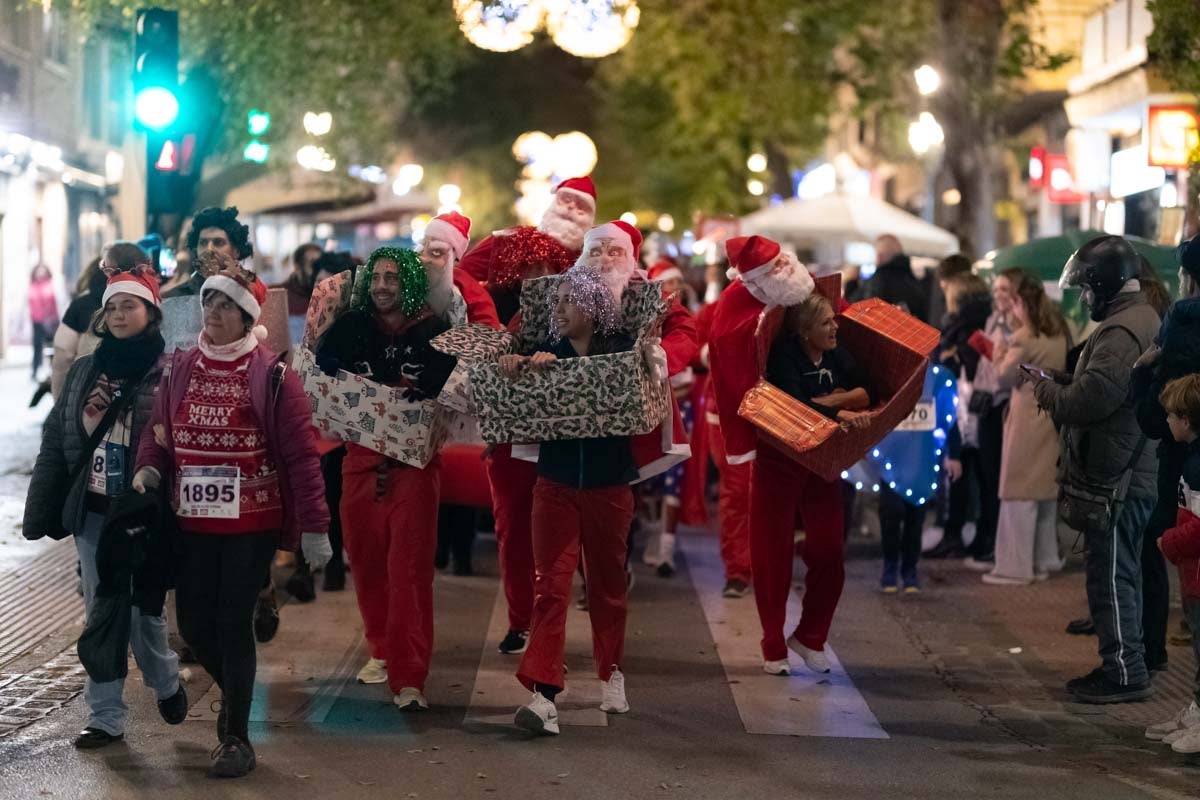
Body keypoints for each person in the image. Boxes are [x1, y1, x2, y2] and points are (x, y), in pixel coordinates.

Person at [133, 264, 330, 777]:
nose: (213, 313)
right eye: (208, 303)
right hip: (192, 524)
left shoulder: (273, 376)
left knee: (229, 621)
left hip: (251, 524)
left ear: (247, 318)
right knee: (194, 624)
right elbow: (158, 428)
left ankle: (235, 737)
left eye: (225, 306)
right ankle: (238, 695)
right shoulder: (181, 366)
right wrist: (149, 468)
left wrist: (315, 526)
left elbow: (303, 457)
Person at [24, 267, 186, 750]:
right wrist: (42, 506)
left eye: (128, 306)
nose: (118, 315)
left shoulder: (171, 369)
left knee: (143, 614)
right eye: (112, 308)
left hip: (145, 510)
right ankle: (106, 715)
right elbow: (58, 438)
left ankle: (165, 680)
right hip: (94, 512)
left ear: (150, 312)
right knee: (102, 613)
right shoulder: (84, 370)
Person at [711, 235, 862, 676]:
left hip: (823, 459)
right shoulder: (757, 327)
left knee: (830, 548)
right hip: (776, 453)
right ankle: (772, 640)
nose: (834, 328)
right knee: (771, 548)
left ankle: (811, 634)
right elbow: (733, 354)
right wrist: (839, 402)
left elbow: (862, 382)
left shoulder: (814, 307)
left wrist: (843, 400)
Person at [314, 247, 456, 713]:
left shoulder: (435, 331)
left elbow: (451, 390)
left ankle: (410, 676)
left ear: (409, 282)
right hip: (358, 464)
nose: (382, 286)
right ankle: (381, 648)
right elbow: (321, 369)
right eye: (375, 277)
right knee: (368, 565)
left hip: (413, 470)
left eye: (392, 278)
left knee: (410, 575)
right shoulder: (351, 327)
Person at [459, 179, 593, 656]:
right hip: (510, 437)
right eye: (528, 261)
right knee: (513, 529)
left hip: (563, 435)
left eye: (546, 262)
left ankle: (552, 619)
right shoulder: (493, 302)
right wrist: (502, 240)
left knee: (563, 534)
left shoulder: (581, 299)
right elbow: (459, 271)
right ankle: (521, 620)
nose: (537, 269)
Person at [1030, 235, 1160, 704]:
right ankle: (1125, 664)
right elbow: (1105, 387)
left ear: (1105, 285)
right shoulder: (1136, 319)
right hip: (1127, 471)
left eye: (1087, 289)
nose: (1084, 298)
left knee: (1111, 577)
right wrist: (1065, 382)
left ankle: (1124, 673)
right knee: (1120, 574)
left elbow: (1094, 399)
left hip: (1118, 478)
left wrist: (1050, 393)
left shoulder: (1123, 329)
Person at [509, 266, 638, 735]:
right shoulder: (545, 355)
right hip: (556, 485)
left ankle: (612, 671)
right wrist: (520, 368)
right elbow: (509, 379)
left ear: (594, 307)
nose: (558, 308)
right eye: (555, 300)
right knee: (551, 588)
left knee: (606, 586)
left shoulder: (623, 354)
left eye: (569, 300)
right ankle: (543, 697)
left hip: (609, 487)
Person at [1132, 237, 1200, 674]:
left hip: (1184, 462)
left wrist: (1141, 374)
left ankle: (1149, 654)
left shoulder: (1182, 318)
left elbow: (1158, 414)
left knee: (1165, 548)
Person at [983, 269, 1069, 586]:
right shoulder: (1059, 332)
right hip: (1049, 417)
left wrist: (997, 350)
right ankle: (1043, 559)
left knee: (1018, 492)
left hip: (1025, 420)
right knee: (1043, 494)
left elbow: (1002, 377)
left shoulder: (1023, 337)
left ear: (1022, 304)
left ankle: (1015, 567)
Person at [1147, 374, 1200, 751]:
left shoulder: (1197, 466)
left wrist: (1169, 542)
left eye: (1170, 416)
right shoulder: (1192, 459)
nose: (1166, 422)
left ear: (1186, 419)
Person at [927, 273, 992, 559]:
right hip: (966, 403)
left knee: (967, 470)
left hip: (969, 404)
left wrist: (952, 356)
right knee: (966, 470)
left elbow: (972, 359)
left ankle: (964, 534)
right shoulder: (967, 324)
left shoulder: (966, 327)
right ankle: (963, 533)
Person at [641, 258, 698, 577]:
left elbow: (688, 378)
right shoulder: (646, 323)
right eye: (668, 284)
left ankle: (666, 550)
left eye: (677, 283)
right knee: (648, 480)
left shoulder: (685, 322)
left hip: (680, 410)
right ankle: (653, 537)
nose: (674, 289)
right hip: (653, 411)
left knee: (674, 480)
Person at [164, 206, 254, 299]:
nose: (209, 249)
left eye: (218, 242)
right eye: (203, 243)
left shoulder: (249, 294)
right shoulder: (174, 298)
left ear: (236, 251)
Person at [51, 255, 107, 400]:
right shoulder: (144, 302)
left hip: (85, 393)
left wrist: (59, 402)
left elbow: (62, 358)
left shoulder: (80, 305)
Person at [858, 234, 928, 322]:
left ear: (879, 256)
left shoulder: (878, 279)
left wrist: (850, 282)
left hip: (884, 333)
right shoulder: (914, 280)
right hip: (911, 333)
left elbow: (866, 313)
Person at [28, 263, 59, 382]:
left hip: (50, 321)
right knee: (37, 347)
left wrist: (54, 318)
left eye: (43, 271)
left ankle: (53, 372)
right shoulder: (32, 286)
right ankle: (34, 371)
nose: (40, 273)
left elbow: (53, 304)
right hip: (36, 322)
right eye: (38, 271)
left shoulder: (50, 285)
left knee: (52, 348)